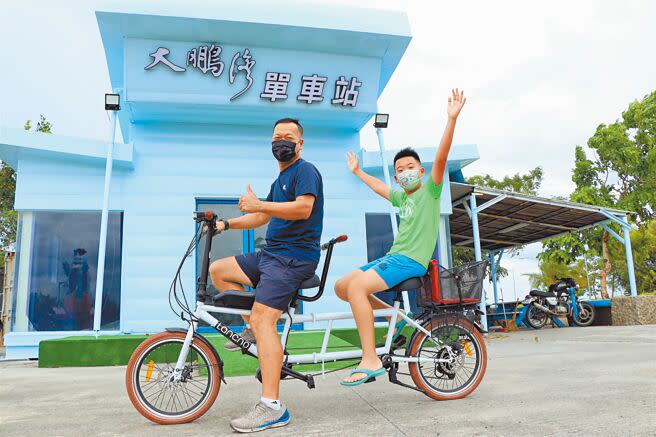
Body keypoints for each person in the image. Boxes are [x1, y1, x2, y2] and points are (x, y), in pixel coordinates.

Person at [334, 88, 466, 385]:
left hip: (411, 261)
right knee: (342, 287)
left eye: (410, 168)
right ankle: (394, 322)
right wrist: (356, 172)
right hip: (394, 257)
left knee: (356, 289)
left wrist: (451, 120)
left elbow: (443, 156)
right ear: (396, 178)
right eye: (400, 170)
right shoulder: (401, 197)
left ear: (421, 172)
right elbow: (379, 189)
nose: (405, 172)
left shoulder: (429, 193)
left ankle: (369, 360)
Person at [209, 118, 323, 432]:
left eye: (289, 136)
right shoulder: (280, 179)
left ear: (300, 144)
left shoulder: (305, 171)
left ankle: (273, 407)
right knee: (218, 270)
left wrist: (260, 202)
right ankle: (253, 333)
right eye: (277, 136)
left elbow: (303, 209)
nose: (282, 141)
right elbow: (261, 215)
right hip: (270, 255)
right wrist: (225, 225)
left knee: (264, 319)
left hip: (293, 258)